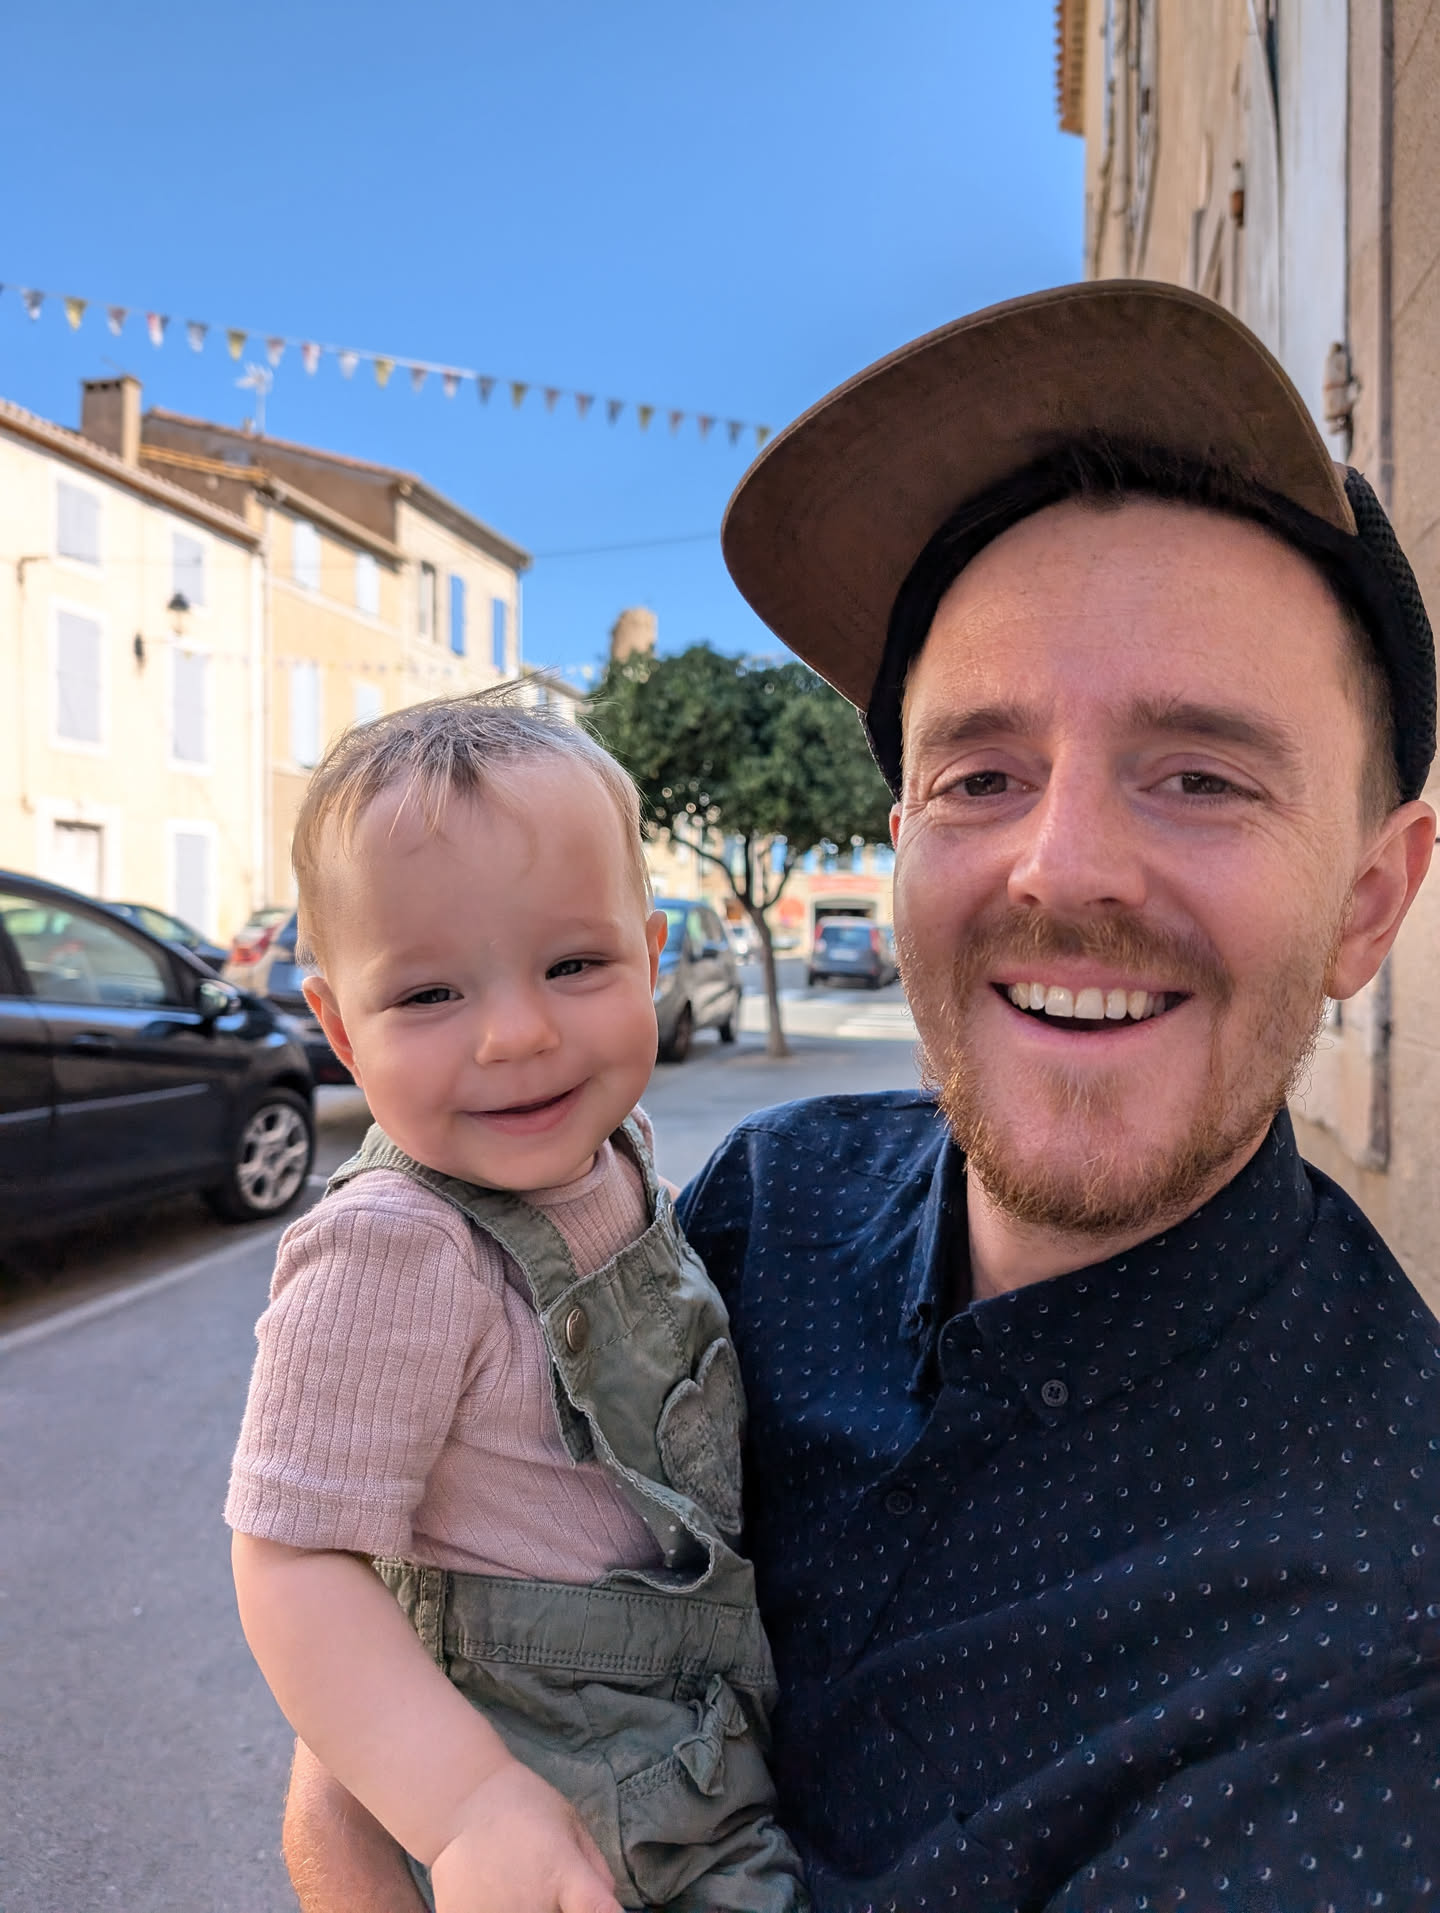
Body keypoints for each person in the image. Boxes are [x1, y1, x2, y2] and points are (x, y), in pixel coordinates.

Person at [281, 282, 1440, 1910]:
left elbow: (344, 1819)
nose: (1061, 866)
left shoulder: (1382, 1640)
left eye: (1202, 775)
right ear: (902, 842)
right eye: (981, 774)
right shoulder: (769, 1204)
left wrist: (351, 1834)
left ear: (1371, 902)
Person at [225, 696, 807, 1913]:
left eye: (574, 965)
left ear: (652, 955)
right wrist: (467, 1803)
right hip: (548, 1779)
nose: (517, 1033)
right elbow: (293, 1557)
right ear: (338, 1026)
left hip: (697, 1730)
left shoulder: (621, 1152)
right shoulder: (396, 1243)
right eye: (429, 993)